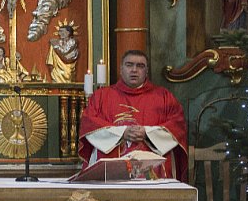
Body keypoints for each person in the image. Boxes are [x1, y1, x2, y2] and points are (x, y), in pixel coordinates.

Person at [78, 49, 187, 181]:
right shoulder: (102, 96)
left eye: (140, 66)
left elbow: (177, 125)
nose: (134, 70)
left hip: (154, 172)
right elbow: (89, 123)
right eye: (129, 65)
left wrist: (147, 133)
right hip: (111, 170)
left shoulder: (164, 97)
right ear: (121, 69)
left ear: (146, 71)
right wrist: (122, 133)